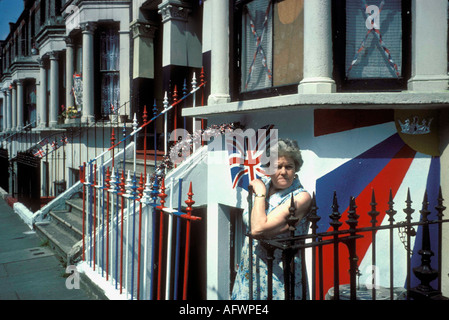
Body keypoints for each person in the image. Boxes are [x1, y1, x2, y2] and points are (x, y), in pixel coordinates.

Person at [231, 138, 312, 300]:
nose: (283, 172)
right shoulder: (266, 186)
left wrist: (259, 193)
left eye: (289, 167)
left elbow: (258, 228)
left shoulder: (301, 197)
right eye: (277, 166)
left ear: (296, 169)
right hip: (250, 272)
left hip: (278, 276)